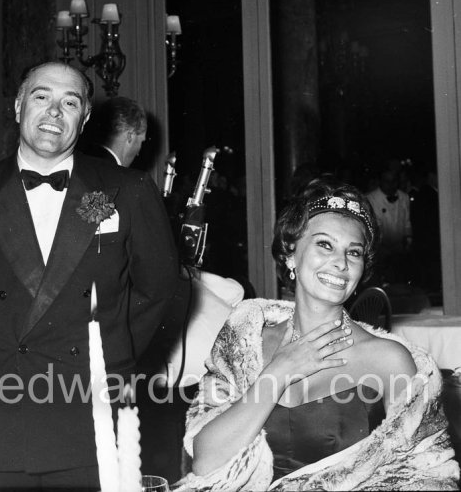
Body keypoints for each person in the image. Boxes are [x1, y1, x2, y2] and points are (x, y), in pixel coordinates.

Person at [0, 61, 179, 490]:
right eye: (41, 97)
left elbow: (160, 289)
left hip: (95, 413)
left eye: (69, 102)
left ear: (85, 118)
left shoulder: (127, 190)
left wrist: (108, 351)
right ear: (18, 106)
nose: (54, 111)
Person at [174, 178, 458, 491]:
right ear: (290, 255)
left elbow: (429, 477)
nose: (340, 263)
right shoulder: (243, 342)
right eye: (325, 245)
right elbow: (204, 460)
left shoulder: (389, 360)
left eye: (354, 252)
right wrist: (279, 372)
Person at [82, 96, 147, 168]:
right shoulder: (120, 175)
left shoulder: (84, 162)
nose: (138, 153)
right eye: (141, 142)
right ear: (130, 136)